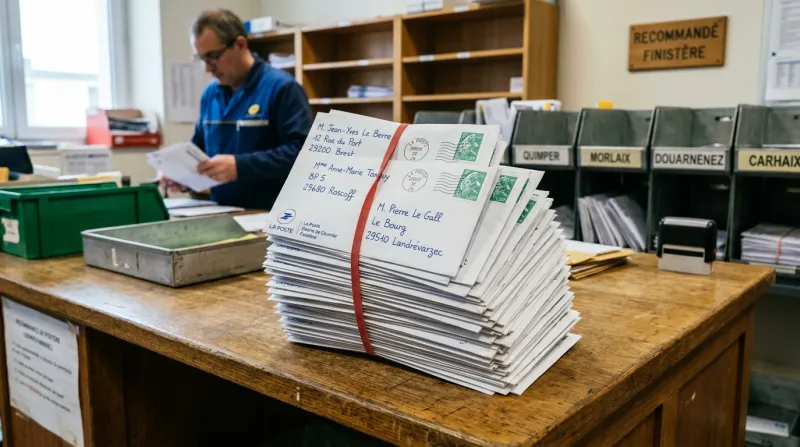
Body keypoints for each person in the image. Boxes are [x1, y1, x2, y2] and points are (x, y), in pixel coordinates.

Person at [163, 9, 312, 210]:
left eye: (213, 56)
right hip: (221, 210)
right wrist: (182, 173)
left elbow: (300, 153)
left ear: (240, 44)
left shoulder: (282, 88)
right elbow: (198, 148)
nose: (208, 68)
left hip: (269, 214)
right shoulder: (210, 94)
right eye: (201, 59)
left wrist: (240, 166)